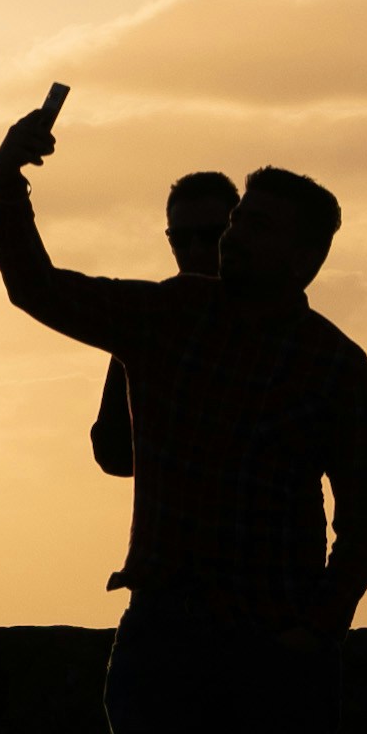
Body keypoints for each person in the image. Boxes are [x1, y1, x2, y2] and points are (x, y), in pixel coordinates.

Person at [0, 87, 367, 734]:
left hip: (263, 646)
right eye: (241, 220)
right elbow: (35, 284)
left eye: (261, 227)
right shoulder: (167, 319)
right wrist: (6, 177)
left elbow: (366, 526)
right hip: (171, 633)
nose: (238, 239)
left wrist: (314, 628)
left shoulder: (332, 365)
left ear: (308, 257)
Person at [85, 171, 243, 573]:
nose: (193, 250)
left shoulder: (149, 320)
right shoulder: (148, 320)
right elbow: (113, 450)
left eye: (209, 236)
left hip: (254, 578)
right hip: (171, 575)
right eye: (180, 239)